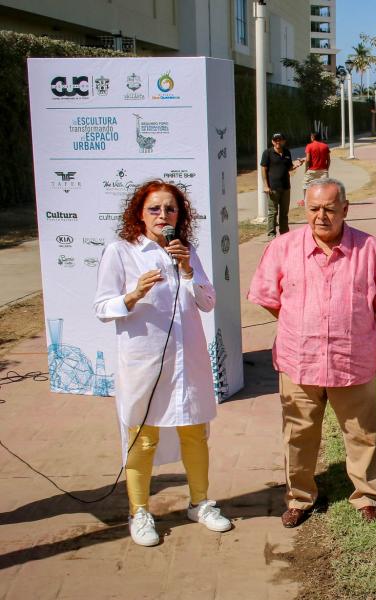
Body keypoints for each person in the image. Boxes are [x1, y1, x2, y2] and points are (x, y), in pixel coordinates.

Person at [247, 178, 376, 528]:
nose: (322, 216)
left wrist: (352, 325)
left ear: (345, 209)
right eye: (314, 208)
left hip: (352, 360)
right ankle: (300, 497)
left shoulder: (370, 249)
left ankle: (365, 496)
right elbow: (271, 300)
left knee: (362, 433)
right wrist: (301, 323)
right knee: (299, 435)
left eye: (330, 209)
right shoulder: (282, 248)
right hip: (297, 360)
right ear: (304, 208)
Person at [94, 179, 232, 547]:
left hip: (188, 362)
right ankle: (139, 511)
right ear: (139, 213)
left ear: (180, 215)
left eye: (170, 209)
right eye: (154, 208)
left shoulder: (185, 250)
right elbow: (102, 308)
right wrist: (134, 294)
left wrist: (187, 269)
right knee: (143, 437)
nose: (162, 215)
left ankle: (200, 502)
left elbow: (207, 302)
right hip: (144, 363)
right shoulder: (121, 252)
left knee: (194, 431)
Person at [260, 132, 303, 238]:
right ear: (272, 142)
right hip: (273, 188)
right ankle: (271, 234)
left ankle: (284, 234)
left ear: (284, 141)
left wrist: (297, 165)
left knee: (284, 213)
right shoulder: (267, 153)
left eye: (280, 139)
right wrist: (265, 185)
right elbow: (263, 169)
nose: (278, 142)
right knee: (273, 212)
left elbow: (289, 167)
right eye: (276, 140)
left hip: (286, 187)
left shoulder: (287, 152)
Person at [300, 132, 331, 207]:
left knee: (305, 185)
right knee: (323, 186)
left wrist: (306, 169)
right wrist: (326, 168)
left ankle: (306, 201)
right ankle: (324, 202)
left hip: (312, 170)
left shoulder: (309, 146)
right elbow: (328, 160)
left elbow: (308, 160)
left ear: (313, 137)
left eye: (311, 137)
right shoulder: (325, 146)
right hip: (323, 170)